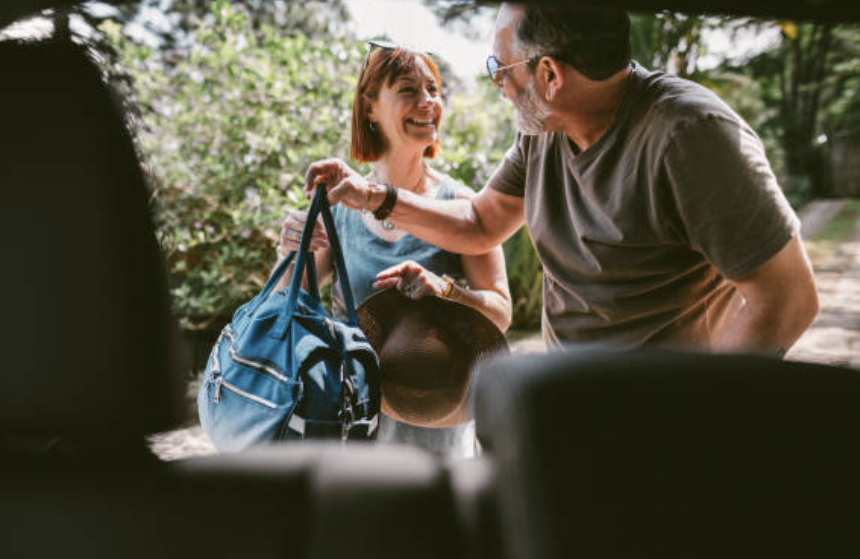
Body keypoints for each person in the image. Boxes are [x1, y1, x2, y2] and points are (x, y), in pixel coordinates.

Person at [304, 4, 819, 356]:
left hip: (663, 420)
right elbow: (481, 222)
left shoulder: (691, 136)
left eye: (499, 68)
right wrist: (375, 196)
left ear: (550, 76)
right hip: (575, 405)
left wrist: (699, 408)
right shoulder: (542, 130)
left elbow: (787, 299)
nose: (498, 85)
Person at [278, 42, 512, 457]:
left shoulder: (462, 207)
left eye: (433, 90)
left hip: (438, 430)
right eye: (408, 89)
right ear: (369, 108)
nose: (428, 103)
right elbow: (284, 312)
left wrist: (445, 291)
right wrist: (288, 253)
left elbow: (500, 312)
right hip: (350, 425)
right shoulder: (337, 209)